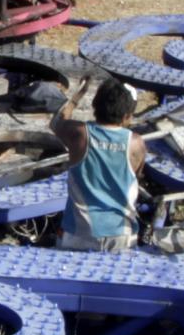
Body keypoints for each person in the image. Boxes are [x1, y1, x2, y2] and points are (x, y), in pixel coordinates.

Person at [51, 78, 144, 253]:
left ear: (95, 106)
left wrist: (78, 95)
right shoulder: (136, 143)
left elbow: (57, 121)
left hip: (78, 232)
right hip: (120, 233)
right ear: (127, 116)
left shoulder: (79, 134)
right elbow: (137, 176)